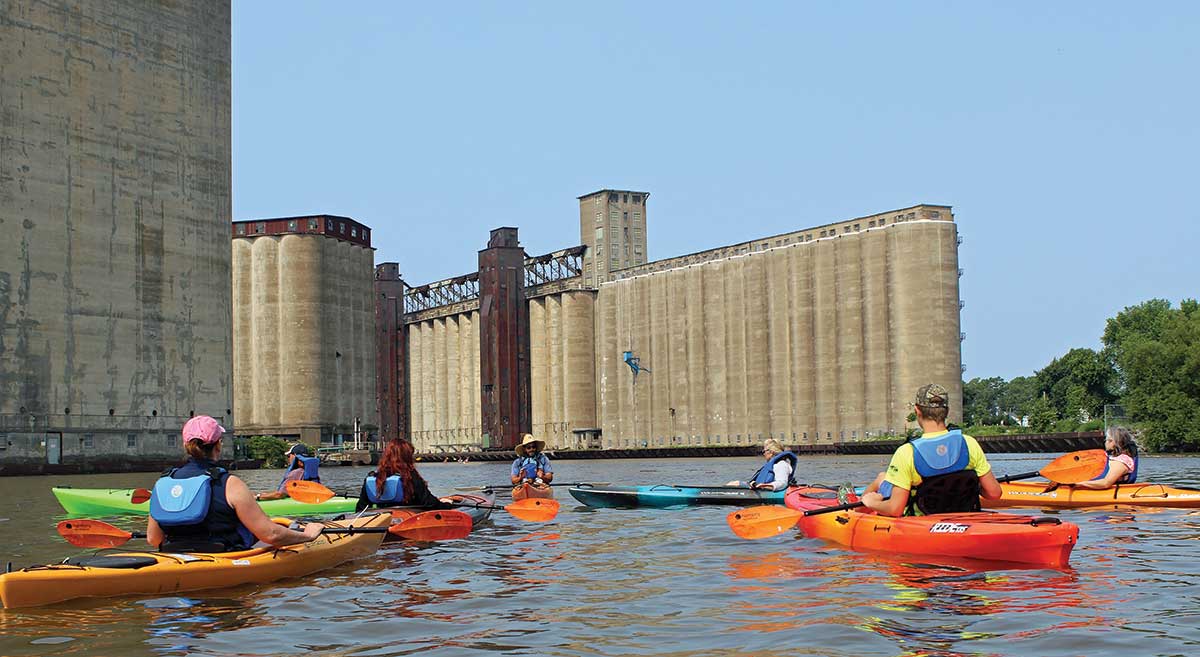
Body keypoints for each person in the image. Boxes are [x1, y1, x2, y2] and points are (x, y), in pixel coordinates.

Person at [147, 415, 323, 552]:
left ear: (186, 445)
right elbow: (271, 534)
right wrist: (308, 535)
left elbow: (153, 539)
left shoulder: (164, 481)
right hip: (224, 556)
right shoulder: (230, 483)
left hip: (174, 555)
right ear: (218, 445)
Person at [860, 384, 1003, 517]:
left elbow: (895, 509)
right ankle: (881, 481)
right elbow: (994, 493)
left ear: (917, 410)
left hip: (922, 522)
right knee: (883, 478)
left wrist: (872, 503)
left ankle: (862, 501)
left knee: (880, 481)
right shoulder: (968, 443)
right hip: (963, 516)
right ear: (946, 411)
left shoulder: (906, 452)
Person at [356, 438, 455, 511]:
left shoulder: (374, 477)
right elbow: (428, 503)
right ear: (407, 457)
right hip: (409, 516)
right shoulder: (409, 475)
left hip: (383, 517)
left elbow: (361, 508)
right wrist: (447, 505)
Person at [1070, 426, 1139, 489]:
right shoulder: (1113, 458)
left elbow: (1105, 483)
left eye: (1107, 439)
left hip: (1111, 492)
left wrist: (1079, 483)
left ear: (1113, 442)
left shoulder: (1121, 462)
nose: (1105, 442)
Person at [256, 443, 321, 501]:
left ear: (295, 456)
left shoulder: (295, 473)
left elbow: (279, 495)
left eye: (288, 456)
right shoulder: (305, 471)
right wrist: (265, 494)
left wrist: (258, 497)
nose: (288, 458)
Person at [725, 439, 798, 490]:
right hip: (758, 487)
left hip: (765, 490)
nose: (763, 453)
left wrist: (765, 486)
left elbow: (782, 483)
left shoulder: (781, 465)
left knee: (735, 484)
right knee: (734, 483)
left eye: (764, 451)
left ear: (771, 452)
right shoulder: (774, 464)